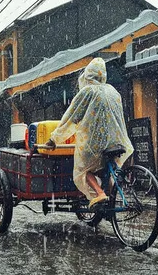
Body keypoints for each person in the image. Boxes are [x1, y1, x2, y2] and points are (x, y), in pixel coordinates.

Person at [45, 57, 134, 211]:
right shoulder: (113, 91)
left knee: (83, 169)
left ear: (88, 75)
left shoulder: (88, 91)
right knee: (106, 168)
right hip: (118, 140)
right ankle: (110, 197)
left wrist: (55, 138)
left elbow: (71, 117)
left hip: (96, 143)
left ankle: (99, 194)